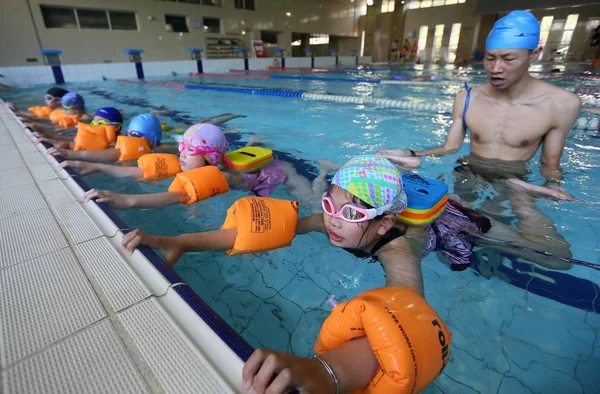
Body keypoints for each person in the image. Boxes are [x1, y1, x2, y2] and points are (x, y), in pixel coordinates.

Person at [116, 154, 575, 392]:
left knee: (554, 258)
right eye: (332, 204)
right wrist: (179, 243)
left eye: (349, 211)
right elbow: (263, 231)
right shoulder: (335, 221)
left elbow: (401, 324)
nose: (332, 218)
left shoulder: (399, 254)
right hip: (396, 209)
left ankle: (522, 199)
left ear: (382, 224)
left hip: (444, 222)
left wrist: (324, 373)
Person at [379, 10, 579, 263]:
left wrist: (551, 188)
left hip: (514, 181)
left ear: (534, 54)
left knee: (556, 258)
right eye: (490, 58)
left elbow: (550, 165)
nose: (496, 68)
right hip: (467, 175)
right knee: (452, 246)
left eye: (508, 59)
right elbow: (450, 148)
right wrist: (410, 155)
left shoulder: (562, 104)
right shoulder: (467, 98)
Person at [66, 123, 338, 212]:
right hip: (241, 164)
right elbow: (135, 171)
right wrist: (90, 165)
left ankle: (325, 170)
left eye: (190, 151)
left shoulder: (221, 176)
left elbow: (179, 195)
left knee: (313, 200)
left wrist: (126, 199)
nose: (181, 155)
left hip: (276, 172)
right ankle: (254, 141)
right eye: (181, 148)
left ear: (210, 160)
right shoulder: (188, 164)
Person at [46, 113, 163, 163]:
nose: (129, 138)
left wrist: (71, 154)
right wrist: (67, 146)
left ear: (152, 139)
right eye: (128, 134)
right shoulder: (130, 146)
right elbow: (105, 150)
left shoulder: (156, 149)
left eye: (135, 135)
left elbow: (111, 153)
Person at [35, 107, 123, 148]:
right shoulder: (94, 137)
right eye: (93, 123)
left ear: (116, 127)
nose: (95, 126)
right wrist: (44, 133)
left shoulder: (120, 142)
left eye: (100, 123)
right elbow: (68, 138)